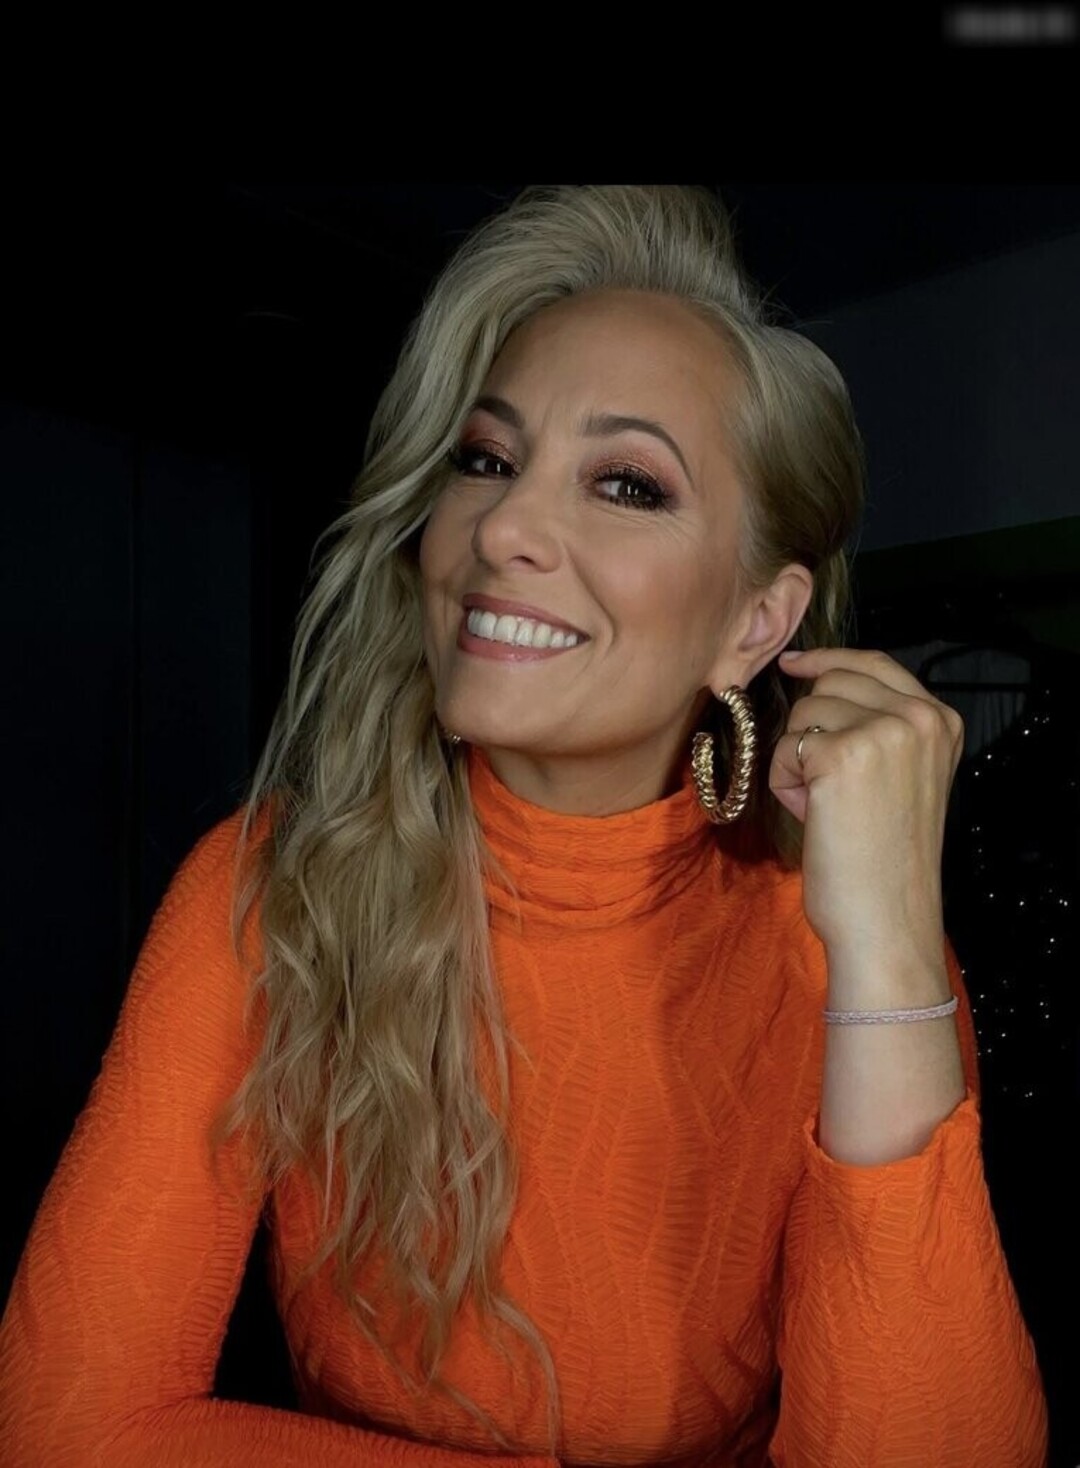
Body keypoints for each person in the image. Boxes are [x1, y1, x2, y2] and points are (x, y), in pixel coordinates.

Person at [0, 185, 1048, 1467]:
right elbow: (71, 1422)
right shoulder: (270, 891)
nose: (500, 529)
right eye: (488, 460)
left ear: (756, 624)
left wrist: (887, 948)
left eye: (625, 483)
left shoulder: (841, 958)